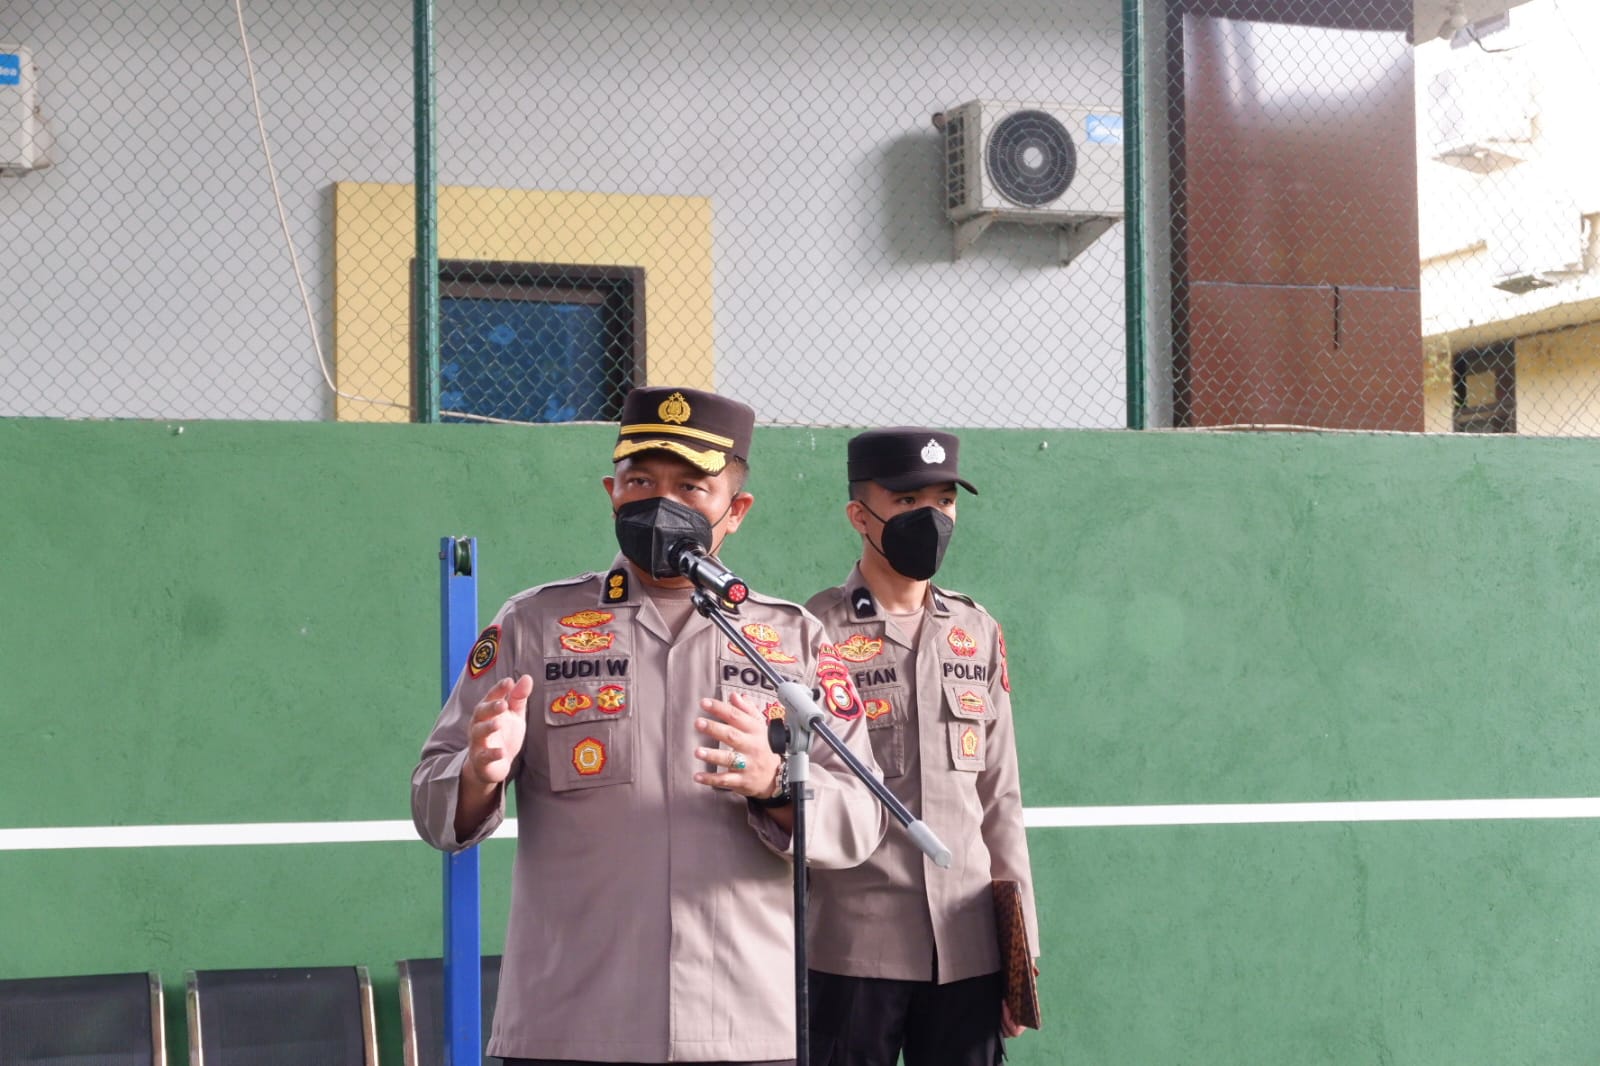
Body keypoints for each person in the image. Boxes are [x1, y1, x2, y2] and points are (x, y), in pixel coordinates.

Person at [411, 386, 887, 1066]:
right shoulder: (533, 625)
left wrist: (777, 784)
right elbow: (432, 802)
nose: (661, 504)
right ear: (612, 493)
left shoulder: (793, 640)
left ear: (735, 510)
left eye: (691, 487)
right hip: (570, 1024)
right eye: (640, 482)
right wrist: (477, 775)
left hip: (746, 1027)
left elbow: (864, 816)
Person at [803, 428, 1038, 1066]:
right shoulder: (812, 633)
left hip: (968, 948)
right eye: (908, 501)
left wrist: (1021, 952)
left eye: (944, 501)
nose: (931, 518)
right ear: (860, 515)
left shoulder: (976, 630)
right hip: (851, 948)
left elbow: (1001, 796)